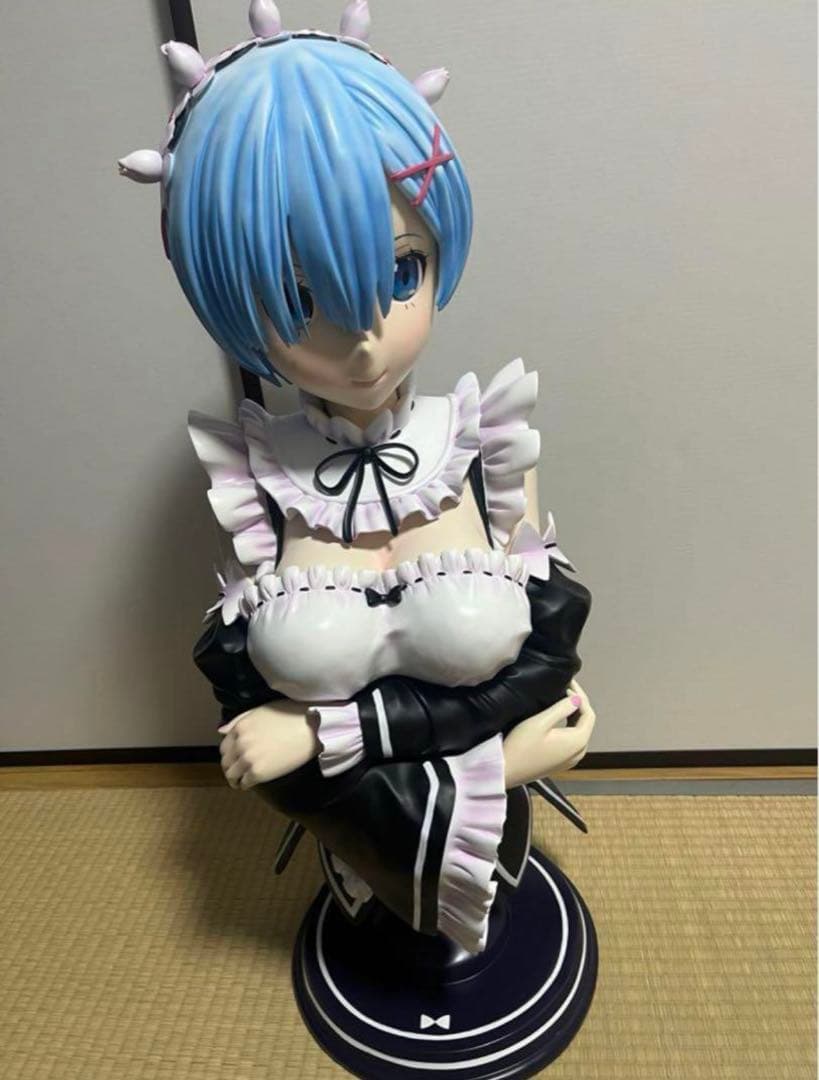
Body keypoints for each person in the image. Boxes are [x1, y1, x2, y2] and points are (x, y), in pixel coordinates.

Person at [119, 1, 596, 957]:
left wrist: (324, 736)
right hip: (357, 857)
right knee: (375, 946)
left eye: (400, 272)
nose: (364, 338)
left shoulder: (486, 438)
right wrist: (497, 764)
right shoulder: (255, 476)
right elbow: (254, 742)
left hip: (491, 848)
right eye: (301, 300)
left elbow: (548, 667)